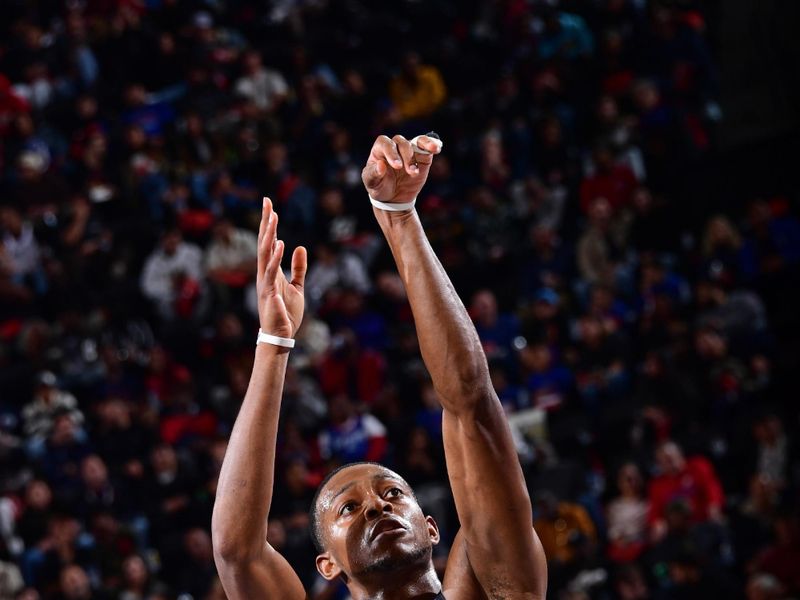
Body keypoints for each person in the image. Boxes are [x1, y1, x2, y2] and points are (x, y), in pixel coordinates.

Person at [212, 134, 547, 599]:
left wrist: (399, 217)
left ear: (431, 528)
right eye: (347, 509)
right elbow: (236, 552)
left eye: (392, 495)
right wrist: (274, 343)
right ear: (328, 565)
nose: (375, 507)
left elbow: (471, 404)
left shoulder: (493, 586)